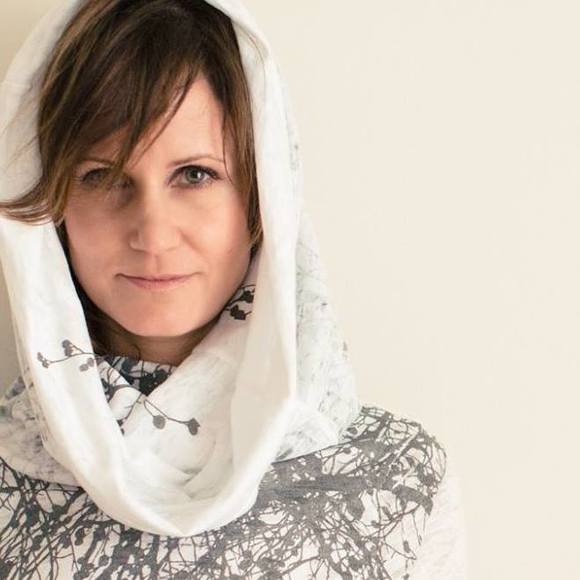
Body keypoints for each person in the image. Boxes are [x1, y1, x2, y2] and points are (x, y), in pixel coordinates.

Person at [0, 0, 467, 578]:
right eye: (103, 176)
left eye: (195, 175)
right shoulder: (11, 475)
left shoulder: (395, 484)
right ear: (52, 209)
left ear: (263, 196)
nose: (153, 234)